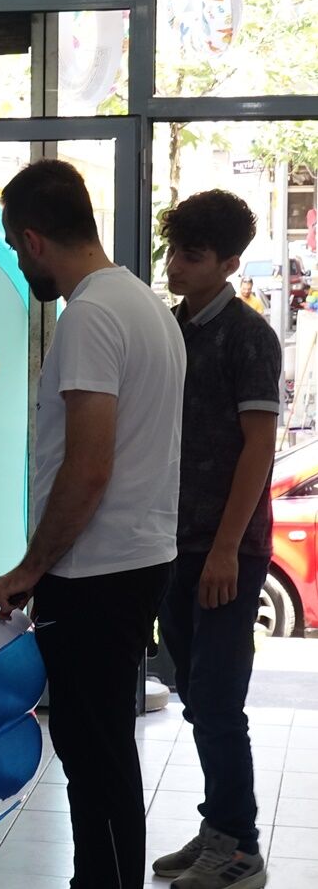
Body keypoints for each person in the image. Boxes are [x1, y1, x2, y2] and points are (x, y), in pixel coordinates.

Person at [0, 159, 185, 889]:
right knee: (104, 750)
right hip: (136, 559)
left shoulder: (89, 315)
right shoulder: (146, 305)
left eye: (16, 250)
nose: (22, 266)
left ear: (33, 238)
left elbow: (88, 467)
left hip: (96, 573)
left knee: (94, 755)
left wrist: (31, 568)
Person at [152, 190, 277, 889]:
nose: (176, 265)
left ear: (229, 264)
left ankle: (239, 849)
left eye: (193, 256)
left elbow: (259, 448)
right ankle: (217, 825)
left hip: (228, 546)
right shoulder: (172, 327)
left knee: (220, 699)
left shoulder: (248, 336)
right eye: (175, 250)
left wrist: (228, 548)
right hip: (172, 541)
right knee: (194, 693)